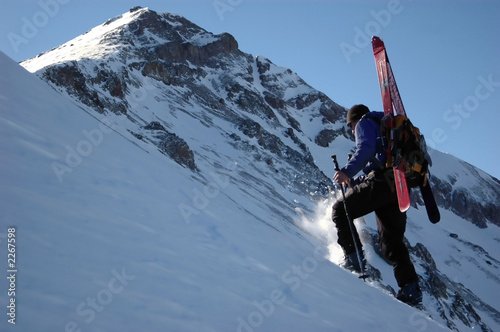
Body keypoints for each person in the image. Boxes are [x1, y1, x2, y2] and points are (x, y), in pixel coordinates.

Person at [331, 104, 422, 306]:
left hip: (382, 183)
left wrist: (347, 171)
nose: (352, 131)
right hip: (396, 187)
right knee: (391, 243)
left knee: (340, 210)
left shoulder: (364, 123)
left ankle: (354, 262)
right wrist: (355, 181)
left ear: (353, 121)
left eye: (350, 127)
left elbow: (366, 149)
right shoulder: (386, 126)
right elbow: (379, 160)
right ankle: (411, 289)